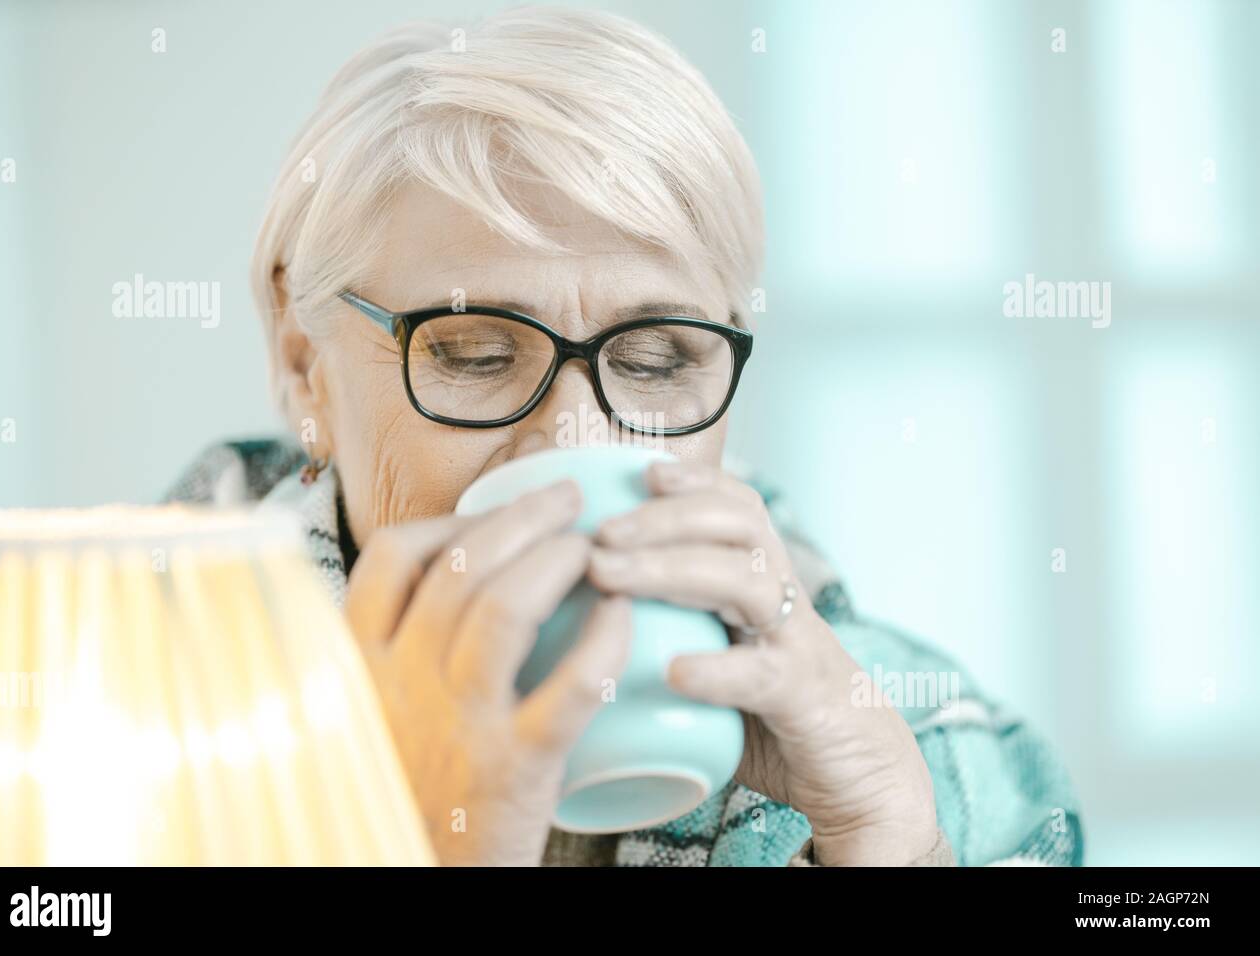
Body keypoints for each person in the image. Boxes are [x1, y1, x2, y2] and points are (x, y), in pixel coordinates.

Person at [167, 6, 1081, 867]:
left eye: (654, 362)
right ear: (302, 368)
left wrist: (890, 842)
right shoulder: (116, 729)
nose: (575, 440)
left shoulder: (941, 754)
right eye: (476, 354)